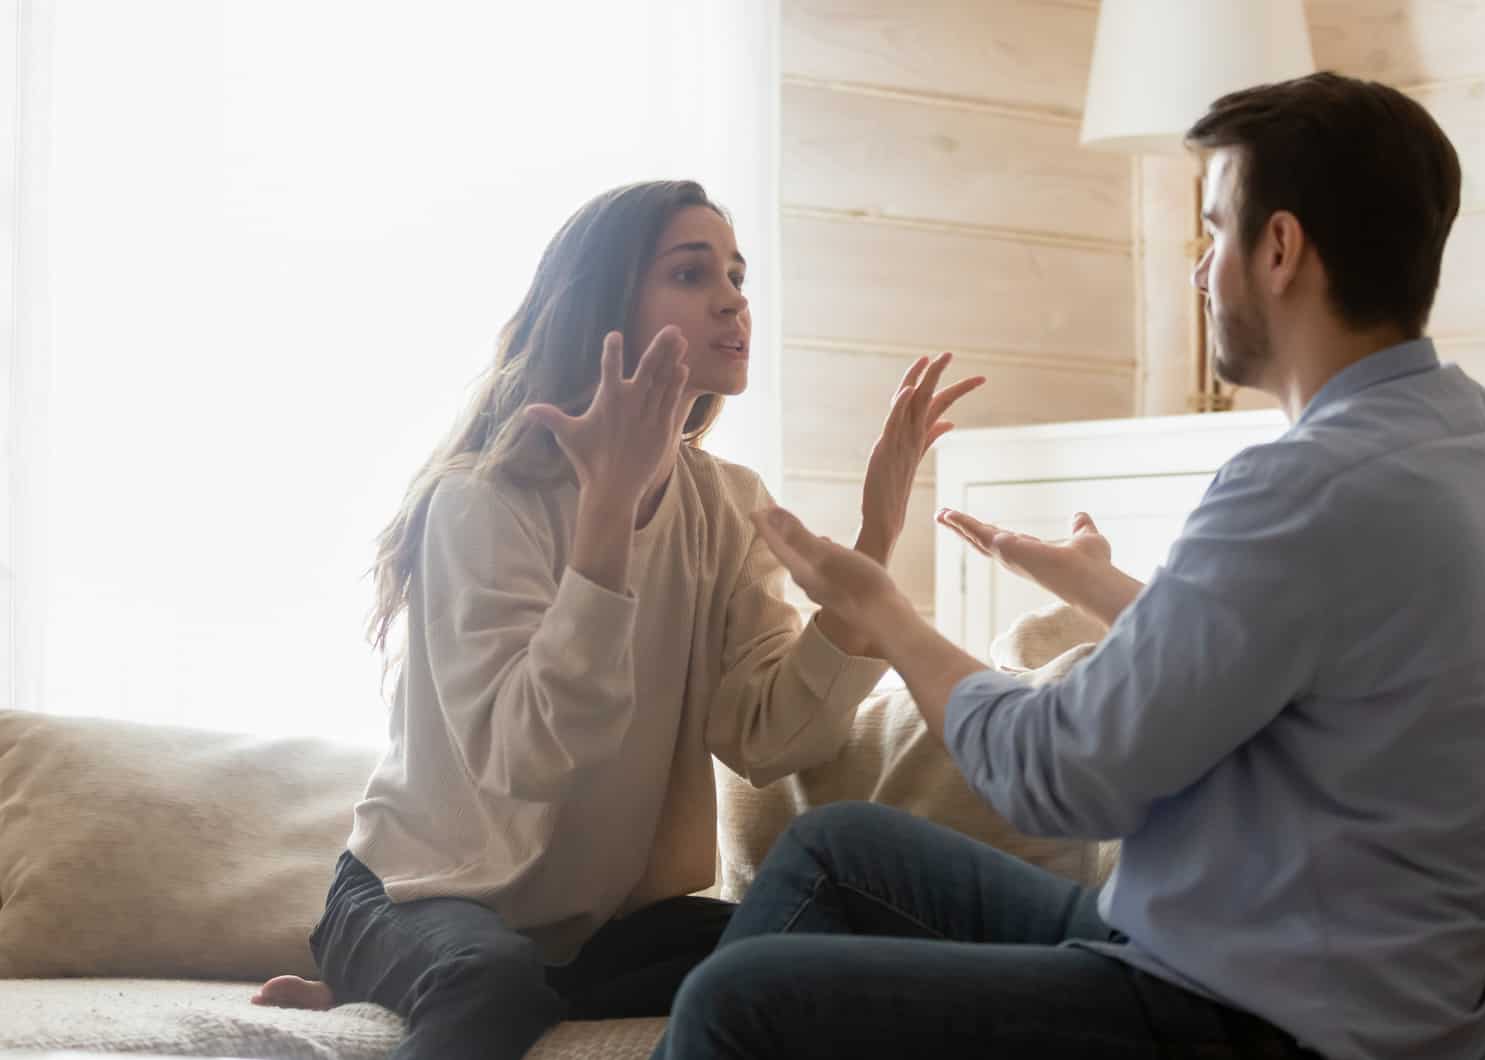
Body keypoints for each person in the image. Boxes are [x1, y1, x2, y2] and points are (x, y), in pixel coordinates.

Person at [652, 73, 1485, 1060]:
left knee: (738, 1004)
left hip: (1249, 1023)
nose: (1200, 272)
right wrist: (1102, 590)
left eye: (1213, 231)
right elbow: (1333, 669)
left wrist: (886, 616)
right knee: (835, 851)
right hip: (1293, 975)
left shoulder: (1305, 484)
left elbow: (1061, 774)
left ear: (1278, 250)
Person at [251, 179, 984, 1059]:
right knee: (492, 981)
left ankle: (399, 991)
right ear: (605, 306)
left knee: (827, 955)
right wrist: (606, 514)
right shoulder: (482, 500)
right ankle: (397, 971)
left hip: (598, 931)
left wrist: (873, 543)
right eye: (690, 273)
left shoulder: (728, 504)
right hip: (421, 895)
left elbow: (767, 736)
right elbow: (530, 762)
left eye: (737, 275)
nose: (732, 300)